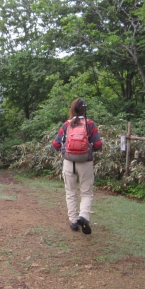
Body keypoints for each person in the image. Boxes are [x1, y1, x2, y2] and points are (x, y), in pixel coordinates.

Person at [52, 98, 102, 234]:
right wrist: (89, 149)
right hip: (85, 162)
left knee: (71, 192)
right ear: (85, 109)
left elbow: (55, 144)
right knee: (86, 192)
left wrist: (65, 151)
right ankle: (83, 216)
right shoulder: (90, 124)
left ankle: (74, 222)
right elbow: (98, 145)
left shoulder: (66, 125)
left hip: (69, 163)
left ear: (72, 109)